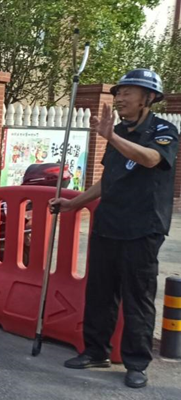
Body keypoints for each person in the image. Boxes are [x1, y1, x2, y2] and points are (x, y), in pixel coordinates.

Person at [51, 69, 178, 389]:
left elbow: (151, 159)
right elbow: (107, 181)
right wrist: (74, 203)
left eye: (128, 92)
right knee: (100, 293)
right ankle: (96, 351)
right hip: (108, 223)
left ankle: (137, 364)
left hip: (143, 228)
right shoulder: (118, 131)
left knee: (137, 299)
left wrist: (112, 138)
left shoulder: (163, 130)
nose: (120, 98)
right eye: (118, 93)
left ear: (148, 97)